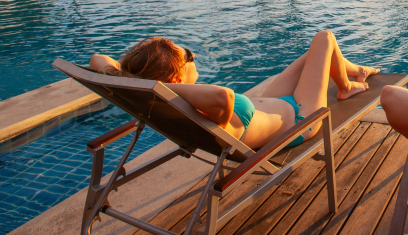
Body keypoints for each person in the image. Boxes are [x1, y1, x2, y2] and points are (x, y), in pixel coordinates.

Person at [89, 30, 378, 150]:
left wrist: (127, 77)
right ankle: (346, 86)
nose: (194, 56)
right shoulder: (204, 101)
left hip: (272, 105)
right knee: (324, 38)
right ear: (174, 80)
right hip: (300, 121)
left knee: (313, 54)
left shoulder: (172, 97)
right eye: (188, 54)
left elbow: (98, 59)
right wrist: (160, 87)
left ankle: (356, 72)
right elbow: (225, 97)